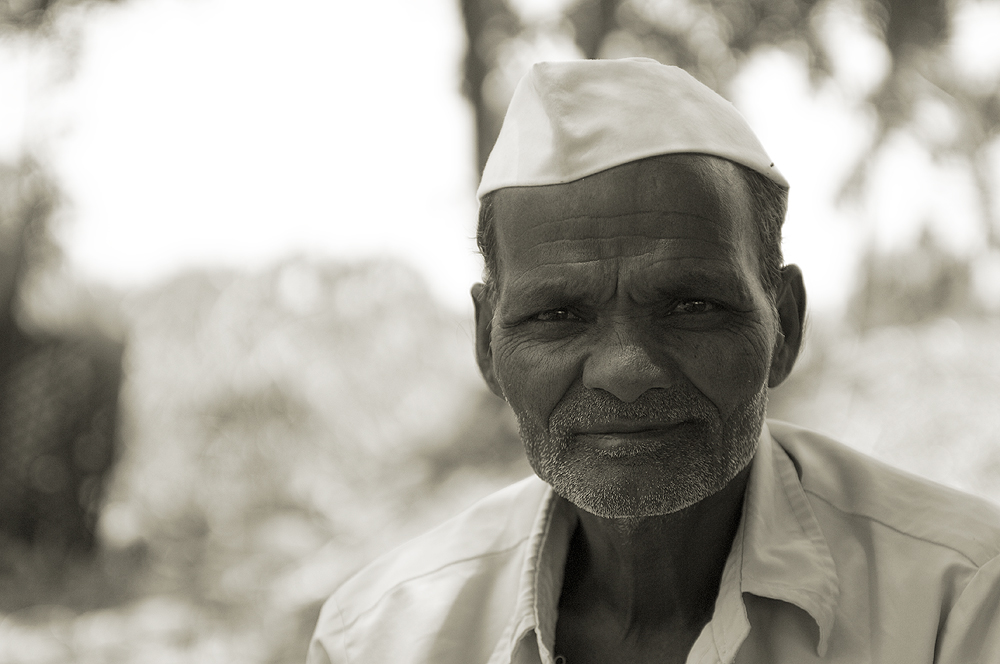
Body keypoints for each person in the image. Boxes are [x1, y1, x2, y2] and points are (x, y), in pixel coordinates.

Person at [307, 58, 1000, 663]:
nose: (625, 369)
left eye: (690, 306)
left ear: (783, 324)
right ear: (488, 341)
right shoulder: (378, 636)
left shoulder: (959, 598)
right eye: (556, 316)